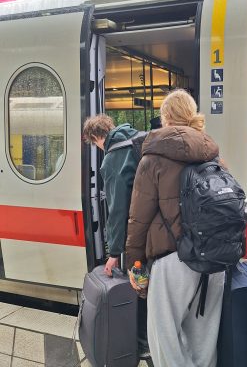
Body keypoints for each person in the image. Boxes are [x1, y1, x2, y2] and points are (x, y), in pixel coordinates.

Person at [126, 89, 225, 367]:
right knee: (204, 343)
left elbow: (138, 219)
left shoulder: (152, 159)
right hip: (213, 262)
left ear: (165, 117)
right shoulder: (212, 154)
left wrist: (135, 264)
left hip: (172, 263)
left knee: (165, 342)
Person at [83, 114, 151, 360]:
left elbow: (117, 209)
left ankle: (143, 342)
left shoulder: (113, 157)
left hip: (138, 237)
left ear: (96, 137)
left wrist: (113, 252)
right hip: (160, 230)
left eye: (95, 144)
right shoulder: (139, 138)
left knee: (139, 284)